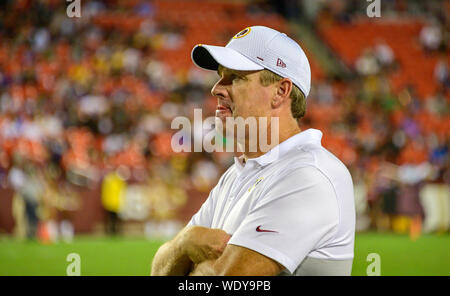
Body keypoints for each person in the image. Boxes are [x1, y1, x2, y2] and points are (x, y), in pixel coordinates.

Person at [151, 26, 355, 276]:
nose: (216, 88)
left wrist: (191, 260)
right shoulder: (237, 175)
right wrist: (185, 242)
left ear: (281, 92)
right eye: (220, 75)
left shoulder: (309, 175)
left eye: (235, 77)